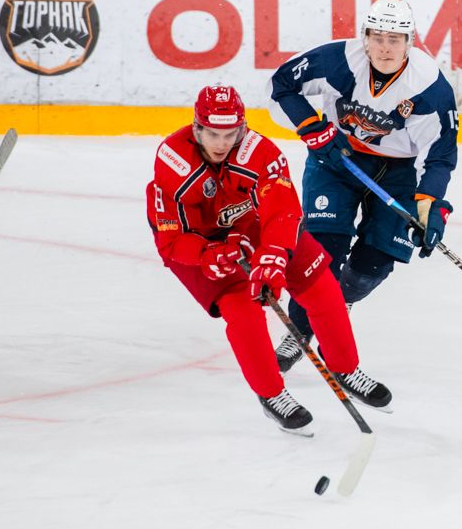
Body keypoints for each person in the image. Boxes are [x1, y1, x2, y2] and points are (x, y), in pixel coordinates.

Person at [146, 85, 391, 435]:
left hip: (256, 226)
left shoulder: (260, 151)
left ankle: (345, 368)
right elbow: (170, 241)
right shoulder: (173, 160)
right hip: (203, 243)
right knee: (243, 312)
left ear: (242, 128)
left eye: (230, 134)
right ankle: (272, 394)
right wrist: (206, 254)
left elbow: (283, 209)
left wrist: (274, 254)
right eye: (213, 134)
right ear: (197, 128)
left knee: (321, 287)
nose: (221, 143)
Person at [268, 0, 459, 371]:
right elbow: (282, 84)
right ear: (365, 37)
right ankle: (300, 330)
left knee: (371, 268)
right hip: (335, 159)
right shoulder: (337, 60)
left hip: (397, 172)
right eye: (378, 38)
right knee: (321, 254)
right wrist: (312, 128)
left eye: (395, 39)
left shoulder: (429, 86)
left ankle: (337, 306)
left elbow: (439, 154)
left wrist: (430, 205)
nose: (385, 48)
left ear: (410, 41)